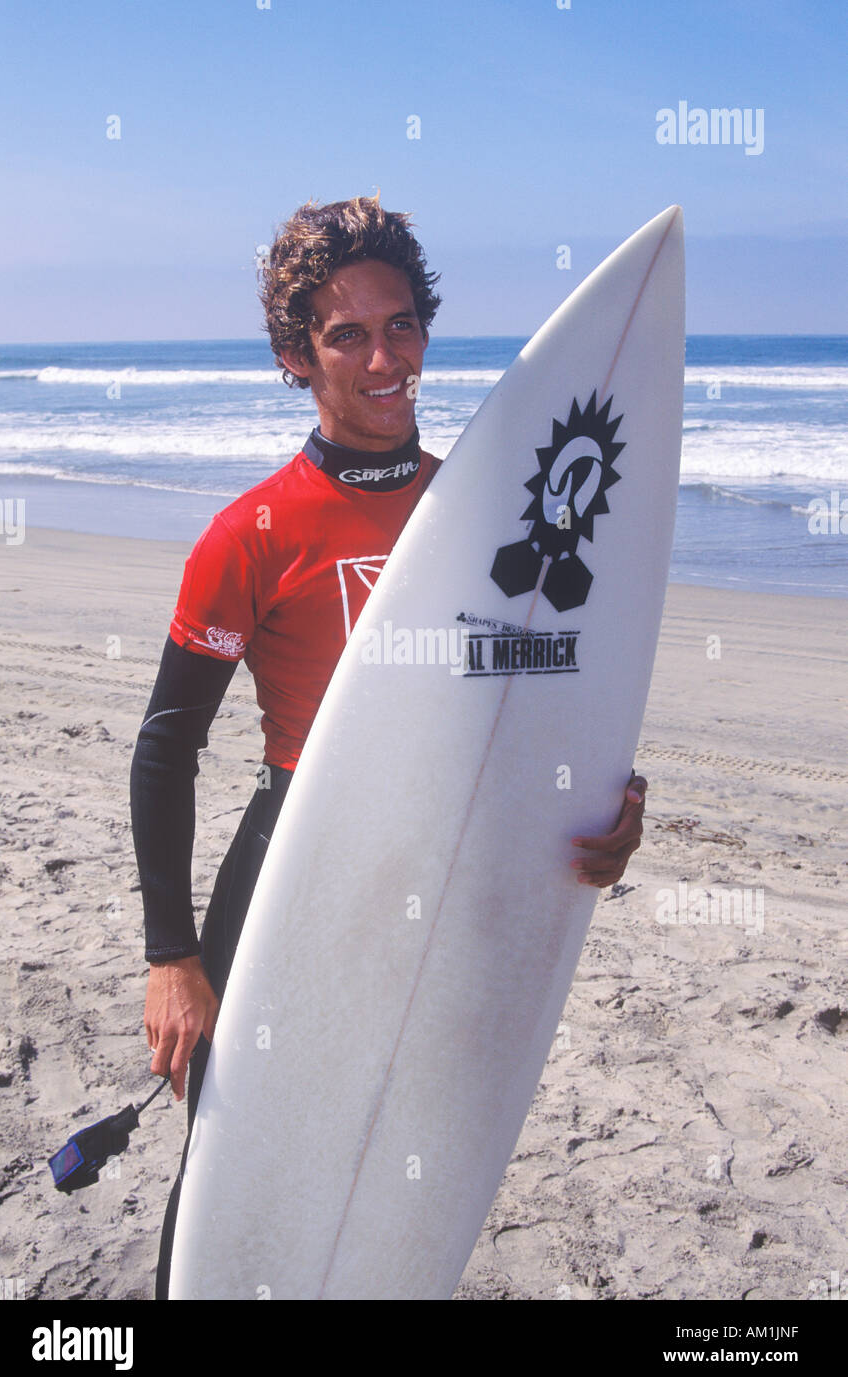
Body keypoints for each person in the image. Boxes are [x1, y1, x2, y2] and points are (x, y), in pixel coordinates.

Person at [130, 195, 648, 1298]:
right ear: (294, 357)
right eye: (345, 332)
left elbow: (534, 695)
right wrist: (172, 956)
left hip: (449, 869)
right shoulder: (251, 533)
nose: (383, 355)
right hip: (292, 870)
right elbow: (166, 749)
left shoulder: (490, 519)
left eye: (400, 323)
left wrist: (601, 794)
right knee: (245, 1167)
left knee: (402, 1160)